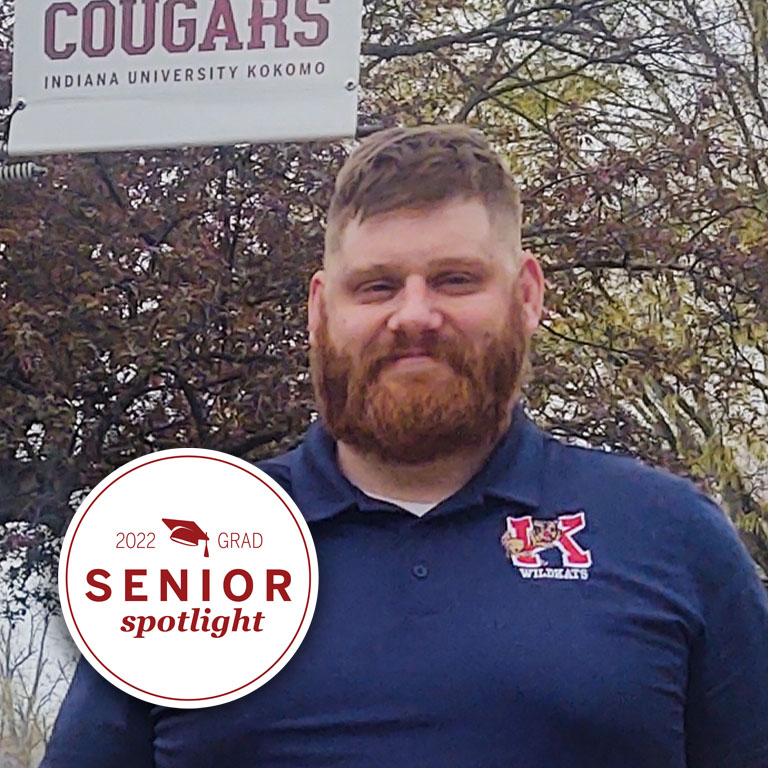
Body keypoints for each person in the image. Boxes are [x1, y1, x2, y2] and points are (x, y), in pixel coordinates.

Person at [42, 124, 768, 767]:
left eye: (455, 280)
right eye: (377, 286)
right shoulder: (185, 555)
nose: (414, 316)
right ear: (320, 310)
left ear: (527, 295)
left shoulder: (670, 538)